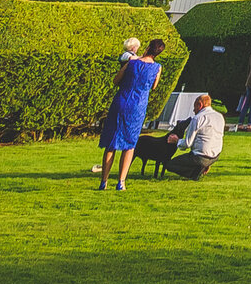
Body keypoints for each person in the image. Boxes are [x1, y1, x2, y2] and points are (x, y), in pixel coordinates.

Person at [97, 37, 164, 191]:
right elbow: (154, 86)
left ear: (147, 47)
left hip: (121, 101)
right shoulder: (157, 67)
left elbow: (116, 80)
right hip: (138, 105)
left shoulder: (132, 63)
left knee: (111, 143)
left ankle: (104, 181)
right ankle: (121, 182)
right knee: (130, 144)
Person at [136, 94, 226, 181]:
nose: (194, 110)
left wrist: (176, 140)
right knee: (199, 158)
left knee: (169, 165)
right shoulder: (219, 116)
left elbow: (187, 144)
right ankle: (201, 167)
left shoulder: (197, 118)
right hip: (215, 156)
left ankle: (195, 173)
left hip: (200, 156)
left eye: (194, 107)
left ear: (200, 105)